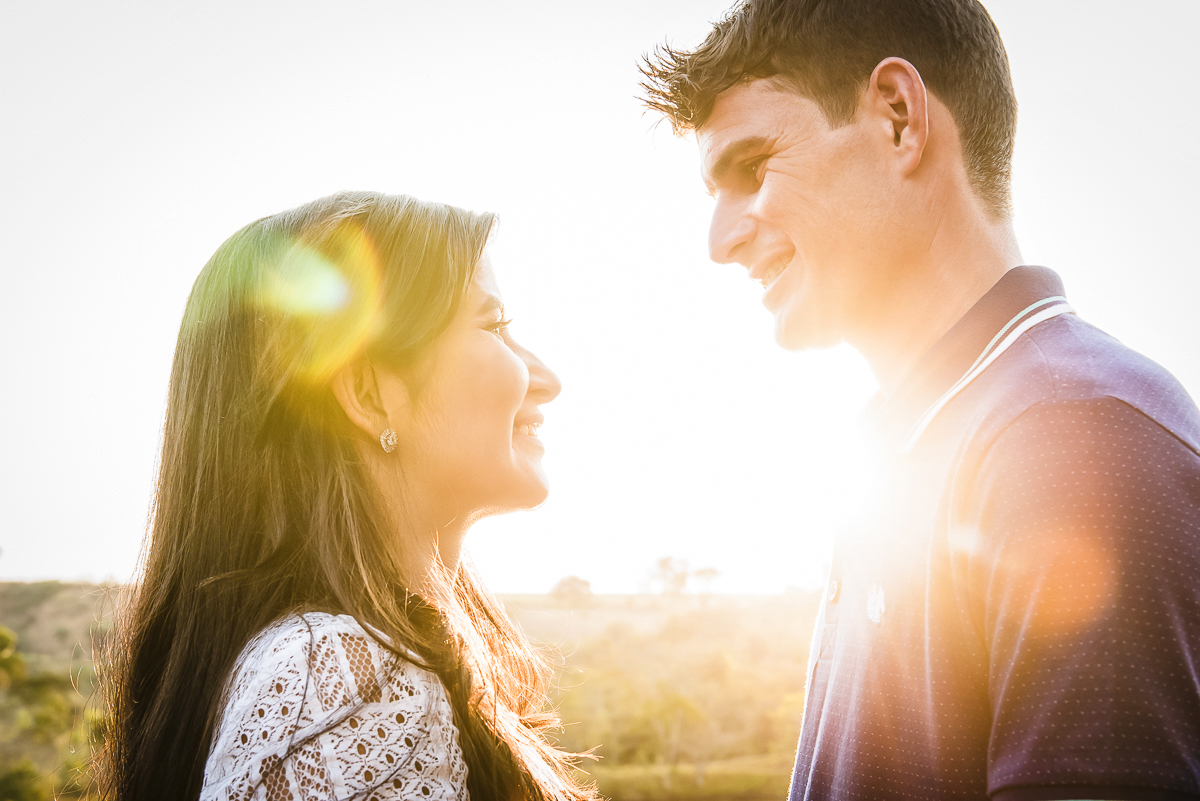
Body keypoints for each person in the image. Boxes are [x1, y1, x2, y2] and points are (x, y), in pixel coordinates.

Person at [640, 1, 1200, 800]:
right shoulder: (910, 446)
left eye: (754, 168)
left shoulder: (1075, 436)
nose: (718, 240)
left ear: (898, 118)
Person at [98, 192, 597, 801]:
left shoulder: (331, 664)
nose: (547, 379)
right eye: (493, 326)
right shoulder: (341, 675)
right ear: (368, 395)